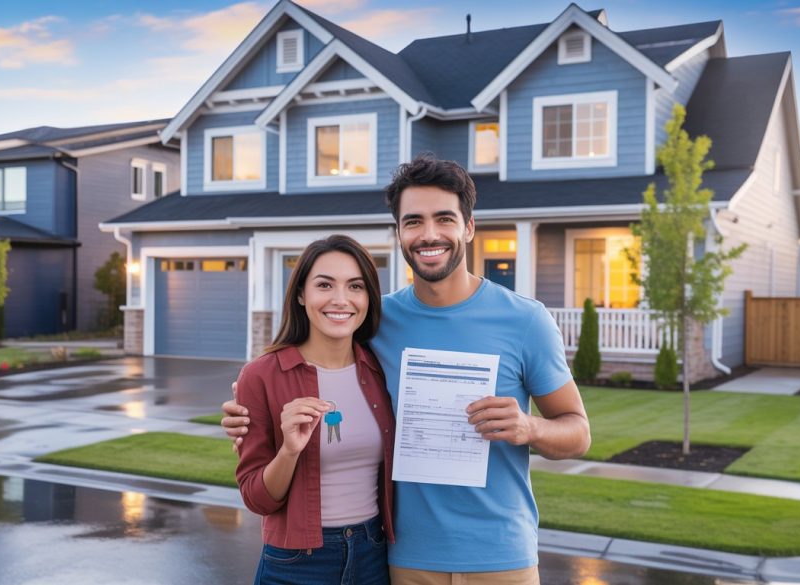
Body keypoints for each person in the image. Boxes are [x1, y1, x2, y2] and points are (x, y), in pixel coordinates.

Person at [224, 154, 591, 584]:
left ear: (469, 227)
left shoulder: (526, 320)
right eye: (413, 221)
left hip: (501, 557)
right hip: (404, 559)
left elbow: (579, 433)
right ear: (398, 233)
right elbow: (312, 366)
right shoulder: (375, 322)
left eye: (444, 219)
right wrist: (248, 410)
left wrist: (531, 428)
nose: (429, 234)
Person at [234, 234, 395, 585]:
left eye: (355, 286)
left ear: (368, 297)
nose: (341, 299)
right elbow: (257, 498)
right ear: (301, 295)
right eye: (325, 285)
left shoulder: (383, 369)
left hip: (374, 555)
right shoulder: (261, 376)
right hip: (296, 563)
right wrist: (290, 451)